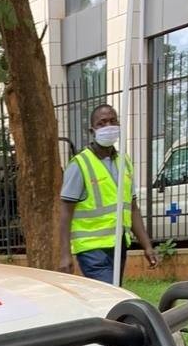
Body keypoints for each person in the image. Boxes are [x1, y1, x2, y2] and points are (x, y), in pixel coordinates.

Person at [59, 104, 158, 284]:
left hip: (118, 243)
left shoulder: (124, 162)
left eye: (112, 121)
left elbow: (132, 208)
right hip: (92, 250)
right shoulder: (80, 164)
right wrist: (65, 254)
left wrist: (147, 246)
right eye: (102, 123)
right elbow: (65, 211)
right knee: (112, 297)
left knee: (112, 295)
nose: (108, 126)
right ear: (92, 130)